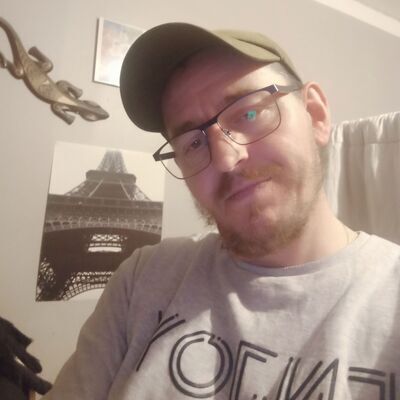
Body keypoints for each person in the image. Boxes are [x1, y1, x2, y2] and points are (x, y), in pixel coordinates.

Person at [44, 22, 400, 399]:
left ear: (315, 115)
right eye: (193, 143)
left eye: (249, 114)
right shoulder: (142, 278)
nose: (227, 159)